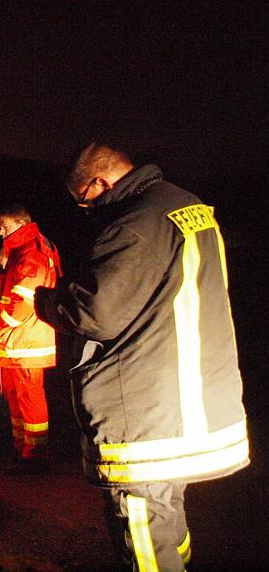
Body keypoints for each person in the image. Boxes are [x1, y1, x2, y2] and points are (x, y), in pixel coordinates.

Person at [35, 143, 249, 571]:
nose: (86, 209)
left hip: (146, 410)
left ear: (100, 182)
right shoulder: (188, 205)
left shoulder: (133, 224)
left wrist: (47, 302)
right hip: (197, 395)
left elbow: (96, 312)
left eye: (85, 199)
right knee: (167, 513)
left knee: (143, 529)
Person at [0, 204, 61, 474]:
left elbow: (22, 302)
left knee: (29, 398)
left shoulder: (32, 254)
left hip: (25, 339)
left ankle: (35, 457)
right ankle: (24, 450)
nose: (0, 232)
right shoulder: (23, 249)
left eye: (5, 227)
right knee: (15, 397)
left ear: (22, 223)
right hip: (16, 340)